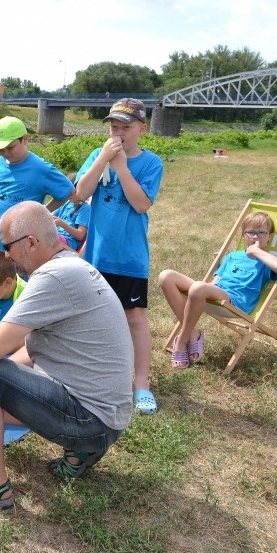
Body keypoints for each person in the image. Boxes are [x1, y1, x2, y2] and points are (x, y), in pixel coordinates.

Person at [0, 201, 132, 509]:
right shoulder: (72, 265)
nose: (7, 256)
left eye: (8, 247)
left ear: (31, 242)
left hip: (90, 420)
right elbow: (31, 349)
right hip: (109, 418)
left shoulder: (52, 277)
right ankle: (81, 452)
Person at [74, 98, 163, 414]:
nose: (119, 133)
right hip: (97, 255)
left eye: (126, 127)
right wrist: (101, 162)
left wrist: (122, 168)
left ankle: (141, 386)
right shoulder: (97, 156)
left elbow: (141, 204)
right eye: (114, 127)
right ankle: (92, 376)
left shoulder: (151, 163)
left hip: (129, 257)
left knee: (134, 317)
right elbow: (80, 194)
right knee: (91, 316)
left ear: (142, 128)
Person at [158, 211, 277, 368]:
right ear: (244, 235)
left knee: (198, 286)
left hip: (235, 301)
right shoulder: (233, 256)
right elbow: (216, 280)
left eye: (261, 233)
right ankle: (192, 334)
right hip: (214, 292)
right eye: (250, 232)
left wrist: (257, 252)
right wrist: (205, 289)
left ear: (269, 236)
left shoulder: (266, 261)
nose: (255, 237)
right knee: (166, 276)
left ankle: (182, 341)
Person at [0, 116, 74, 260]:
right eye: (0, 149)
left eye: (10, 147)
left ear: (26, 139)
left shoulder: (41, 168)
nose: (5, 152)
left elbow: (67, 190)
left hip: (19, 244)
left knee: (18, 280)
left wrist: (43, 212)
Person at [51, 173, 90, 252]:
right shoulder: (66, 203)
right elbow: (51, 215)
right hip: (57, 236)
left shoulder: (85, 209)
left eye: (74, 192)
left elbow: (80, 235)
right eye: (67, 191)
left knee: (42, 239)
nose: (70, 195)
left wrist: (61, 224)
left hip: (68, 242)